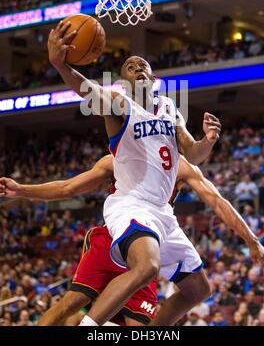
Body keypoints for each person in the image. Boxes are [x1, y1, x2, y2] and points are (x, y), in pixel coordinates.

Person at [47, 20, 222, 326]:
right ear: (123, 82)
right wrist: (61, 67)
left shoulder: (169, 107)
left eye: (143, 64)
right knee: (147, 267)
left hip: (162, 213)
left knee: (197, 289)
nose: (138, 67)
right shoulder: (119, 104)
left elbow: (193, 153)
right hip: (131, 205)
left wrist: (208, 141)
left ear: (153, 76)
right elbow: (87, 90)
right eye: (130, 66)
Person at [0, 155, 264, 326]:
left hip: (151, 237)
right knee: (71, 302)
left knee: (194, 290)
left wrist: (252, 240)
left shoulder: (179, 164)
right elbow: (68, 187)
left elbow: (216, 199)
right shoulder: (117, 159)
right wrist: (22, 190)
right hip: (116, 235)